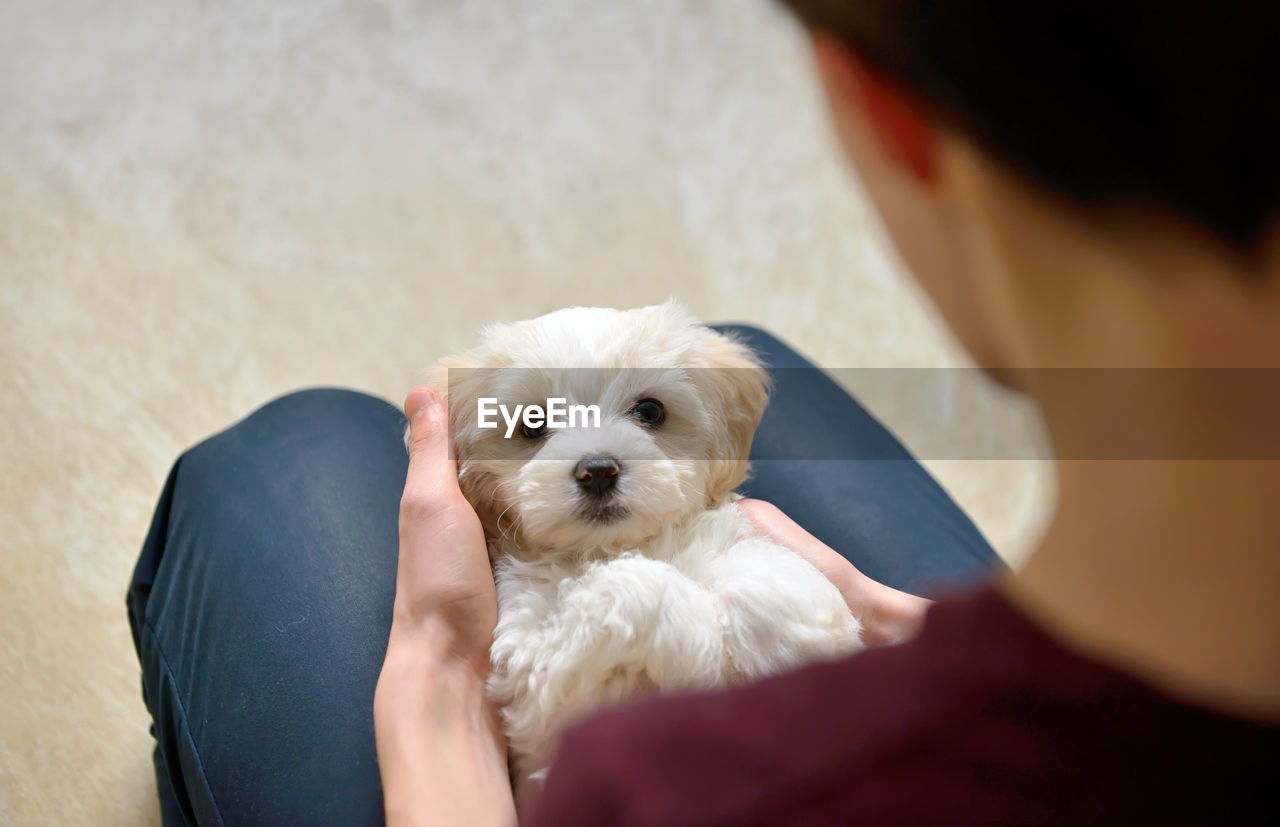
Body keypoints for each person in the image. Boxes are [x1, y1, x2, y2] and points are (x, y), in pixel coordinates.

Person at [129, 1, 1278, 824]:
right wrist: (891, 621)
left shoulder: (666, 785)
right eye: (531, 430)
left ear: (883, 107)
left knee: (284, 454)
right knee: (752, 353)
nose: (581, 454)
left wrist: (433, 670)